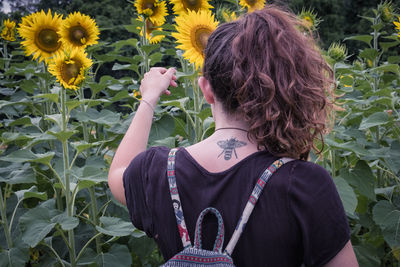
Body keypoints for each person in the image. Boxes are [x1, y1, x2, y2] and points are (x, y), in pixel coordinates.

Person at [108, 5, 359, 267]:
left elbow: (118, 173)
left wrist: (148, 97)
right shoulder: (304, 184)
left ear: (206, 89)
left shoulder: (158, 172)